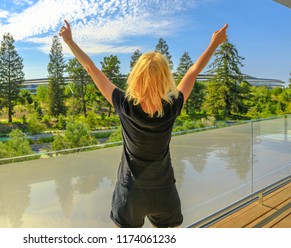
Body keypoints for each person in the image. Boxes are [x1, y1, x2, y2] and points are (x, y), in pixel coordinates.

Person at [59, 20, 228, 228]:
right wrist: (214, 44)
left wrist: (70, 42)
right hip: (164, 190)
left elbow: (90, 68)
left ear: (136, 76)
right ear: (165, 78)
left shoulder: (124, 104)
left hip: (130, 192)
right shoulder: (173, 106)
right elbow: (193, 72)